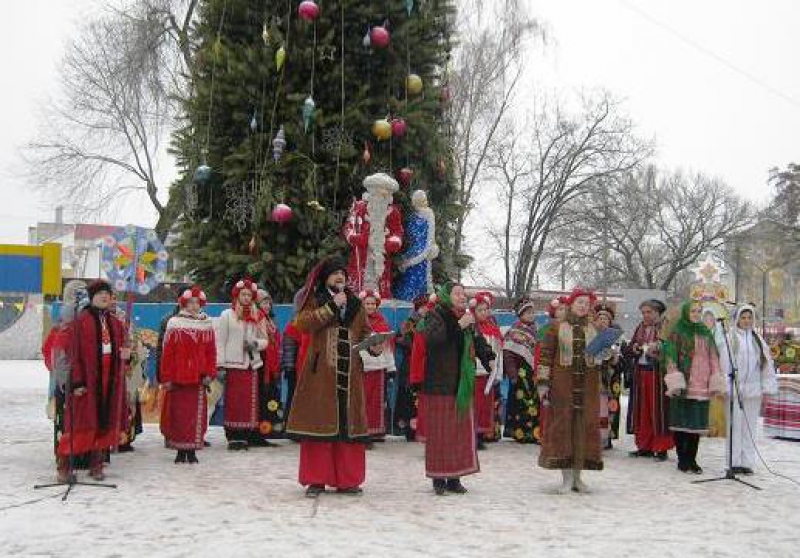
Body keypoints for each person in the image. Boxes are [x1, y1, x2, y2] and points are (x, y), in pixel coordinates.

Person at [286, 257, 375, 497]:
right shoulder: (314, 299)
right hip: (321, 374)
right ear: (325, 277)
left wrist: (374, 343)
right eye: (335, 274)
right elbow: (302, 324)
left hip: (350, 375)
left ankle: (348, 480)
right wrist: (331, 307)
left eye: (342, 274)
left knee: (348, 426)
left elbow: (364, 330)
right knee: (319, 426)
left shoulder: (356, 303)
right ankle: (316, 480)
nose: (340, 277)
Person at [419, 283, 494, 495]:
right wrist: (458, 325)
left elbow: (478, 341)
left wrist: (489, 358)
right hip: (440, 383)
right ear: (446, 296)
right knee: (440, 434)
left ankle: (455, 477)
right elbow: (433, 340)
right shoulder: (436, 315)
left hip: (462, 383)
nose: (462, 297)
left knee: (459, 433)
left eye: (463, 293)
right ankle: (438, 478)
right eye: (457, 293)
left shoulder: (468, 318)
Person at [55, 279, 130, 482]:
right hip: (88, 379)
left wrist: (126, 355)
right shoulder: (81, 322)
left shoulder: (116, 323)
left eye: (108, 293)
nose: (105, 297)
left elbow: (122, 352)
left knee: (104, 423)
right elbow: (74, 355)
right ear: (92, 297)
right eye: (100, 294)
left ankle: (97, 464)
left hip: (110, 381)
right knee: (80, 424)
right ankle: (64, 465)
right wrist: (77, 382)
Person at [537, 288, 603, 493]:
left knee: (583, 430)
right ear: (571, 305)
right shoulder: (556, 328)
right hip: (562, 387)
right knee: (563, 429)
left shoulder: (594, 329)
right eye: (579, 303)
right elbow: (546, 356)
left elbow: (600, 360)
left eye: (586, 303)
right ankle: (566, 478)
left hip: (587, 388)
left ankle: (578, 478)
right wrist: (542, 383)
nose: (583, 306)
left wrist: (606, 354)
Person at [662, 300, 726, 474]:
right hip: (684, 382)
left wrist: (715, 376)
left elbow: (713, 356)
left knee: (697, 424)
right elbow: (670, 356)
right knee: (681, 422)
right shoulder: (678, 332)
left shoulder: (706, 333)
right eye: (693, 311)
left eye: (699, 311)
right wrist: (674, 375)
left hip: (702, 383)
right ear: (686, 313)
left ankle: (693, 459)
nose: (696, 314)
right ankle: (682, 459)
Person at [159, 286, 217, 464]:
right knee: (179, 415)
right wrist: (166, 377)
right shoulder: (174, 323)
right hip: (178, 378)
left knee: (196, 415)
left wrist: (209, 372)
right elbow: (167, 353)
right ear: (183, 303)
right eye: (190, 302)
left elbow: (211, 351)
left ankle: (192, 450)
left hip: (198, 378)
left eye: (197, 303)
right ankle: (179, 450)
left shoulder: (206, 323)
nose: (194, 306)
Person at [720, 304, 778, 475]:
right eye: (743, 318)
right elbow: (724, 365)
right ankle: (734, 462)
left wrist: (767, 388)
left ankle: (747, 462)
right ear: (737, 319)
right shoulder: (730, 339)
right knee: (735, 427)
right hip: (734, 390)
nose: (746, 321)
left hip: (753, 391)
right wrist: (725, 386)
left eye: (749, 318)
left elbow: (767, 366)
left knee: (749, 427)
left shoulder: (758, 340)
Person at [215, 279, 269, 451]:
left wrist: (255, 344)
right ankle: (233, 436)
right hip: (233, 365)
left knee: (248, 402)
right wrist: (220, 366)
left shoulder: (257, 315)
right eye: (243, 294)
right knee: (234, 402)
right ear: (237, 296)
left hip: (251, 365)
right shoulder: (227, 315)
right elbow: (220, 342)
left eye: (249, 295)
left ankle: (245, 436)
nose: (246, 298)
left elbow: (265, 341)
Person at [623, 299, 674, 461]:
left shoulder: (666, 327)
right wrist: (635, 348)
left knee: (658, 411)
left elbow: (672, 348)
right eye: (643, 312)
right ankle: (644, 446)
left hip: (658, 374)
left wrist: (658, 349)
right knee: (642, 410)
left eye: (649, 312)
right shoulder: (640, 327)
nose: (645, 315)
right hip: (641, 372)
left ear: (658, 313)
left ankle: (661, 448)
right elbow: (631, 347)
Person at [343, 173, 404, 299]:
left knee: (380, 288)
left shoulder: (393, 211)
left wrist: (392, 242)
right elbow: (349, 227)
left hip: (381, 257)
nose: (381, 194)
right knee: (357, 288)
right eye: (378, 190)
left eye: (385, 192)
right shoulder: (359, 207)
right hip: (361, 256)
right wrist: (358, 238)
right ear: (371, 190)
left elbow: (398, 232)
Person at [503, 297, 541, 444]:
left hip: (533, 373)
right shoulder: (514, 331)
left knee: (533, 402)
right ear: (520, 314)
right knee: (521, 402)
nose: (531, 315)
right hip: (520, 373)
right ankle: (520, 432)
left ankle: (533, 431)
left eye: (533, 312)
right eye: (528, 312)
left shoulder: (536, 330)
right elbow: (508, 353)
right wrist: (512, 373)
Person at [358, 289, 395, 446]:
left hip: (379, 368)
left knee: (377, 401)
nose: (370, 306)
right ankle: (362, 431)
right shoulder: (357, 322)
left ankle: (376, 430)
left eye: (373, 304)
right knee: (363, 400)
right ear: (362, 305)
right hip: (362, 367)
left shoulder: (382, 323)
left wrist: (391, 367)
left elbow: (387, 346)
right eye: (367, 303)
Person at [391, 294, 429, 440]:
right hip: (410, 363)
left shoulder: (432, 322)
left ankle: (423, 429)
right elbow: (400, 339)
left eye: (427, 307)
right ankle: (410, 429)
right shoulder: (409, 322)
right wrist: (416, 346)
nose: (426, 310)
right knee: (409, 397)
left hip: (426, 363)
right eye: (423, 307)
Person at [471, 292, 504, 448]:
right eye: (480, 310)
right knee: (474, 405)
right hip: (474, 374)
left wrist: (497, 371)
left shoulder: (494, 330)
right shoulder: (472, 329)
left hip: (488, 375)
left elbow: (498, 352)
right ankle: (472, 435)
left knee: (485, 406)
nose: (484, 313)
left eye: (486, 309)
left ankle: (481, 434)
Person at [394, 189, 439, 301]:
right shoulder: (411, 216)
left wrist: (415, 259)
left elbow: (429, 241)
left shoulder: (428, 214)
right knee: (406, 287)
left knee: (417, 288)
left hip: (421, 258)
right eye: (422, 200)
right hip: (410, 254)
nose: (425, 203)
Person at [252, 289, 284, 444]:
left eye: (268, 303)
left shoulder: (271, 320)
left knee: (271, 397)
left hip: (272, 366)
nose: (267, 306)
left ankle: (269, 430)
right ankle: (259, 432)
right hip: (261, 365)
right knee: (262, 397)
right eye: (264, 302)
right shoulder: (257, 318)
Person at [593, 303, 624, 449]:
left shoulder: (616, 338)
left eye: (606, 318)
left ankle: (606, 438)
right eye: (600, 318)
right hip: (594, 378)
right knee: (595, 408)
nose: (602, 321)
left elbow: (619, 358)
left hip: (610, 380)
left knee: (608, 409)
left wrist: (614, 358)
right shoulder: (591, 335)